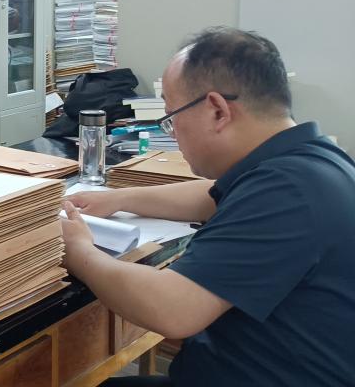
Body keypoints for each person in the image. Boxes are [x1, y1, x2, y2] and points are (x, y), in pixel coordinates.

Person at [60, 27, 355, 386]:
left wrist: (79, 251)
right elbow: (210, 197)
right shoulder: (311, 160)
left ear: (217, 111)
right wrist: (118, 199)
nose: (171, 132)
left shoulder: (288, 192)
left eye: (171, 118)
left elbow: (173, 309)